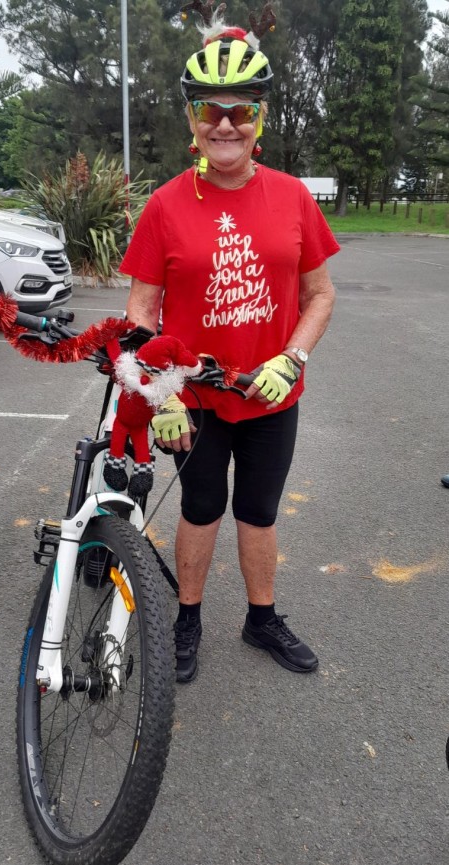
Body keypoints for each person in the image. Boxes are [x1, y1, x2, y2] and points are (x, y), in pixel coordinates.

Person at [119, 4, 340, 684]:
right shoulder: (164, 205)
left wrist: (292, 359)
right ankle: (187, 618)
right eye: (209, 110)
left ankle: (260, 618)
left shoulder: (293, 197)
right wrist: (159, 394)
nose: (224, 124)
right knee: (200, 507)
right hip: (194, 399)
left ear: (259, 119)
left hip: (272, 396)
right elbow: (140, 310)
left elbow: (320, 295)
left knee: (258, 512)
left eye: (239, 110)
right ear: (191, 119)